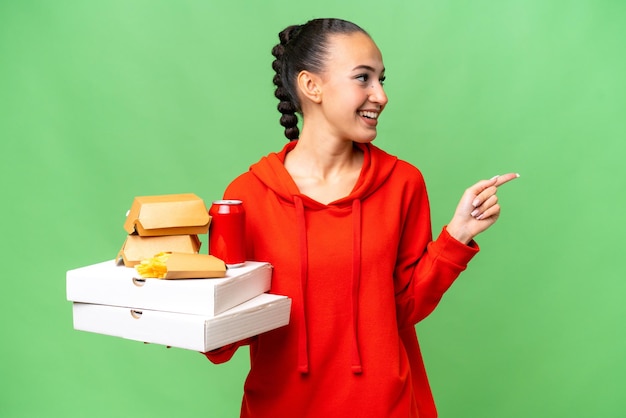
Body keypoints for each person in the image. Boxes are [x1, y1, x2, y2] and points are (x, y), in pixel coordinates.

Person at [203, 18, 518, 418]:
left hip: (386, 406)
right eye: (363, 78)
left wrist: (456, 236)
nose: (381, 95)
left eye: (381, 79)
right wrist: (173, 306)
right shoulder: (246, 196)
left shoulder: (402, 183)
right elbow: (223, 340)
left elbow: (403, 309)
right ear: (310, 85)